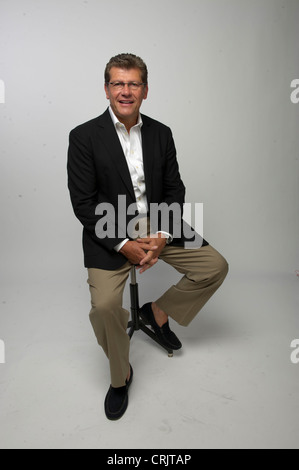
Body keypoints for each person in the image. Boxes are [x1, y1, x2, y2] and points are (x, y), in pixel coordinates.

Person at [67, 53, 228, 420]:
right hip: (109, 231)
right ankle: (120, 376)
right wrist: (124, 244)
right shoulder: (83, 137)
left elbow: (174, 188)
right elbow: (84, 204)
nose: (126, 91)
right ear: (106, 89)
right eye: (118, 83)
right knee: (106, 307)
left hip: (157, 223)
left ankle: (156, 313)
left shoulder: (162, 133)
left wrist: (162, 234)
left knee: (215, 266)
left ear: (146, 90)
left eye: (133, 84)